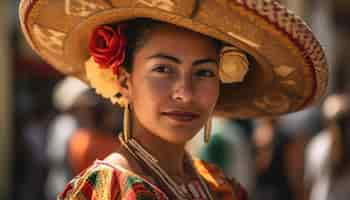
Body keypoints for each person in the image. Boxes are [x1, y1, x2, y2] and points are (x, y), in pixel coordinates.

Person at [19, 0, 328, 199]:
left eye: (204, 72)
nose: (185, 91)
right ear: (125, 81)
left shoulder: (218, 186)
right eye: (163, 69)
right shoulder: (107, 189)